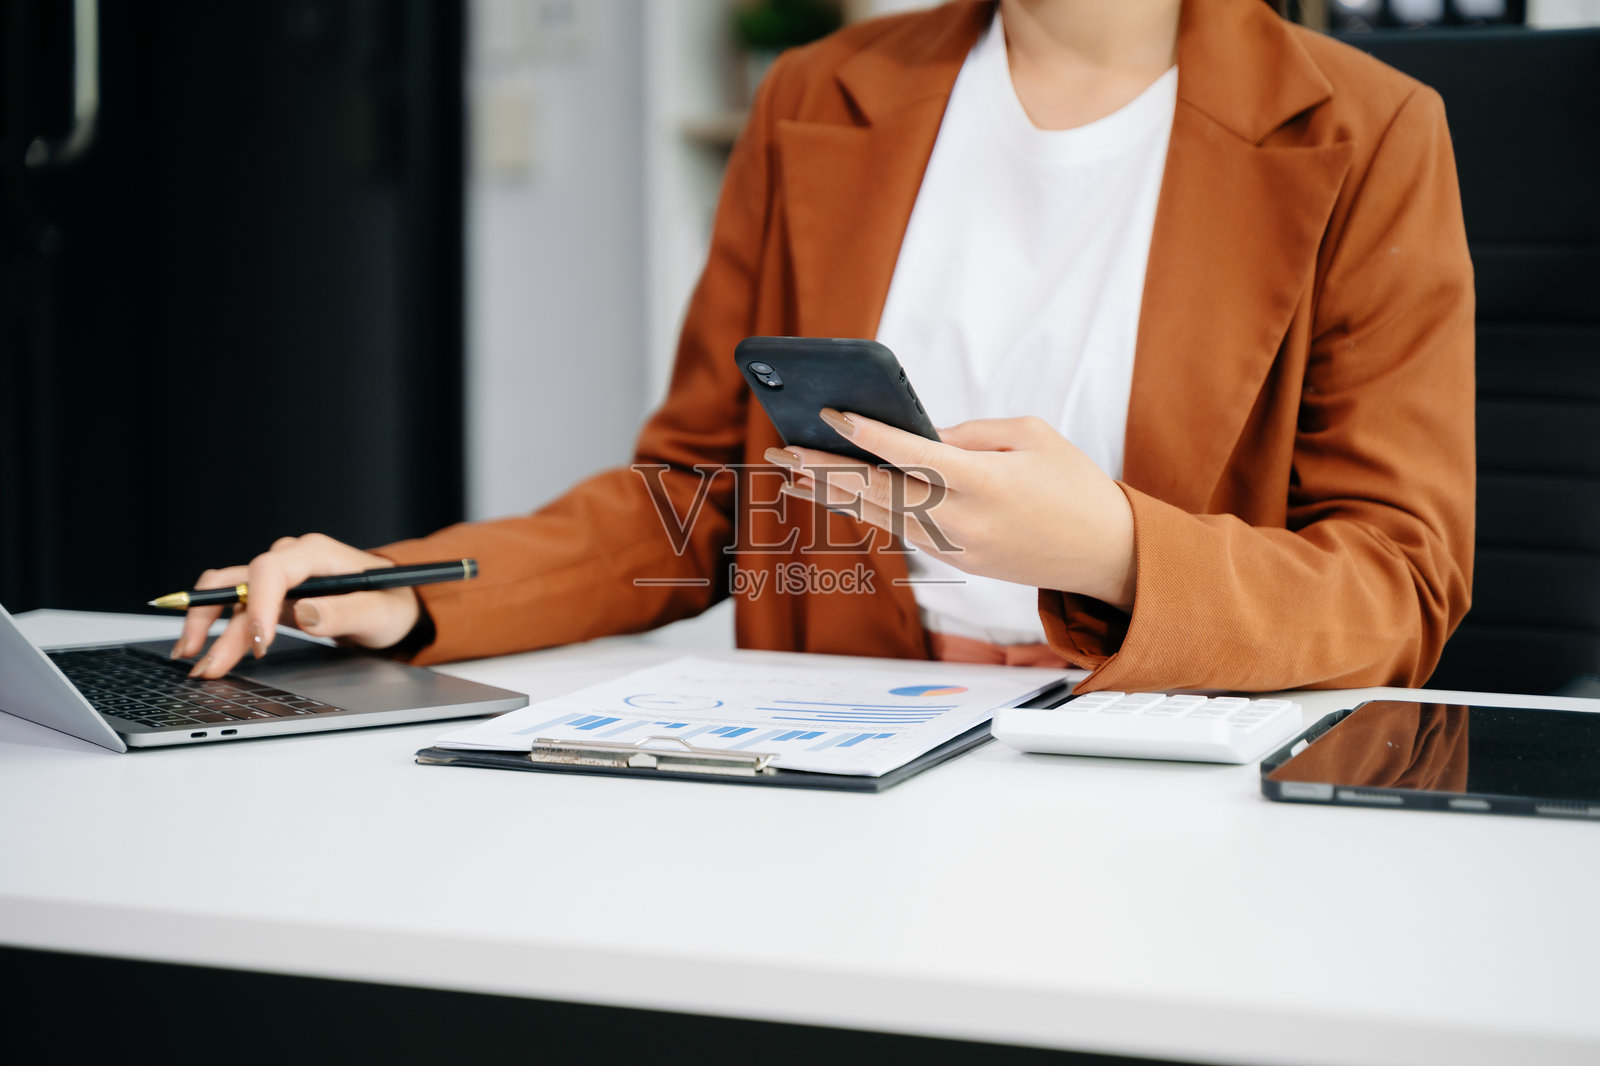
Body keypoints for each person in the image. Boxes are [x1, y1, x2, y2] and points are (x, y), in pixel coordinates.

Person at [176, 0, 1474, 695]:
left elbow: (1399, 584)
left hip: (1176, 770)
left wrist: (1111, 553)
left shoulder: (1368, 131)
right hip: (842, 758)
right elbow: (698, 497)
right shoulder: (819, 94)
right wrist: (414, 590)